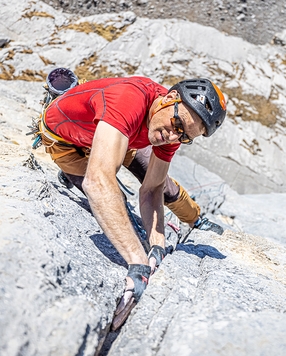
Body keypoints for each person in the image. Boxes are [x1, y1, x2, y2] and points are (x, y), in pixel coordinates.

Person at [39, 76, 227, 328]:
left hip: (123, 135)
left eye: (184, 137)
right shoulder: (129, 99)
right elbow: (97, 182)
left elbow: (152, 189)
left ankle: (196, 218)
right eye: (177, 125)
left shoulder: (171, 121)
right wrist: (137, 262)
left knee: (166, 188)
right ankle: (75, 168)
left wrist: (157, 245)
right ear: (169, 98)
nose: (173, 137)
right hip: (67, 142)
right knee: (109, 196)